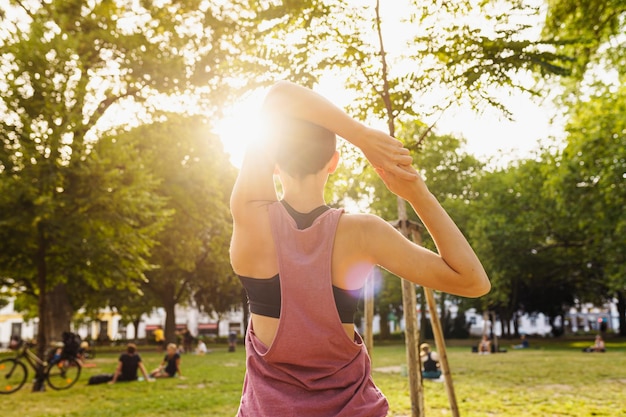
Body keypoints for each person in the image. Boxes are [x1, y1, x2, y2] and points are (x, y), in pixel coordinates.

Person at [230, 80, 490, 416]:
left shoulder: (251, 217)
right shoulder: (363, 232)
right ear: (334, 162)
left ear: (275, 162)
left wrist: (362, 137)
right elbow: (473, 281)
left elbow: (278, 96)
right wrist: (416, 194)